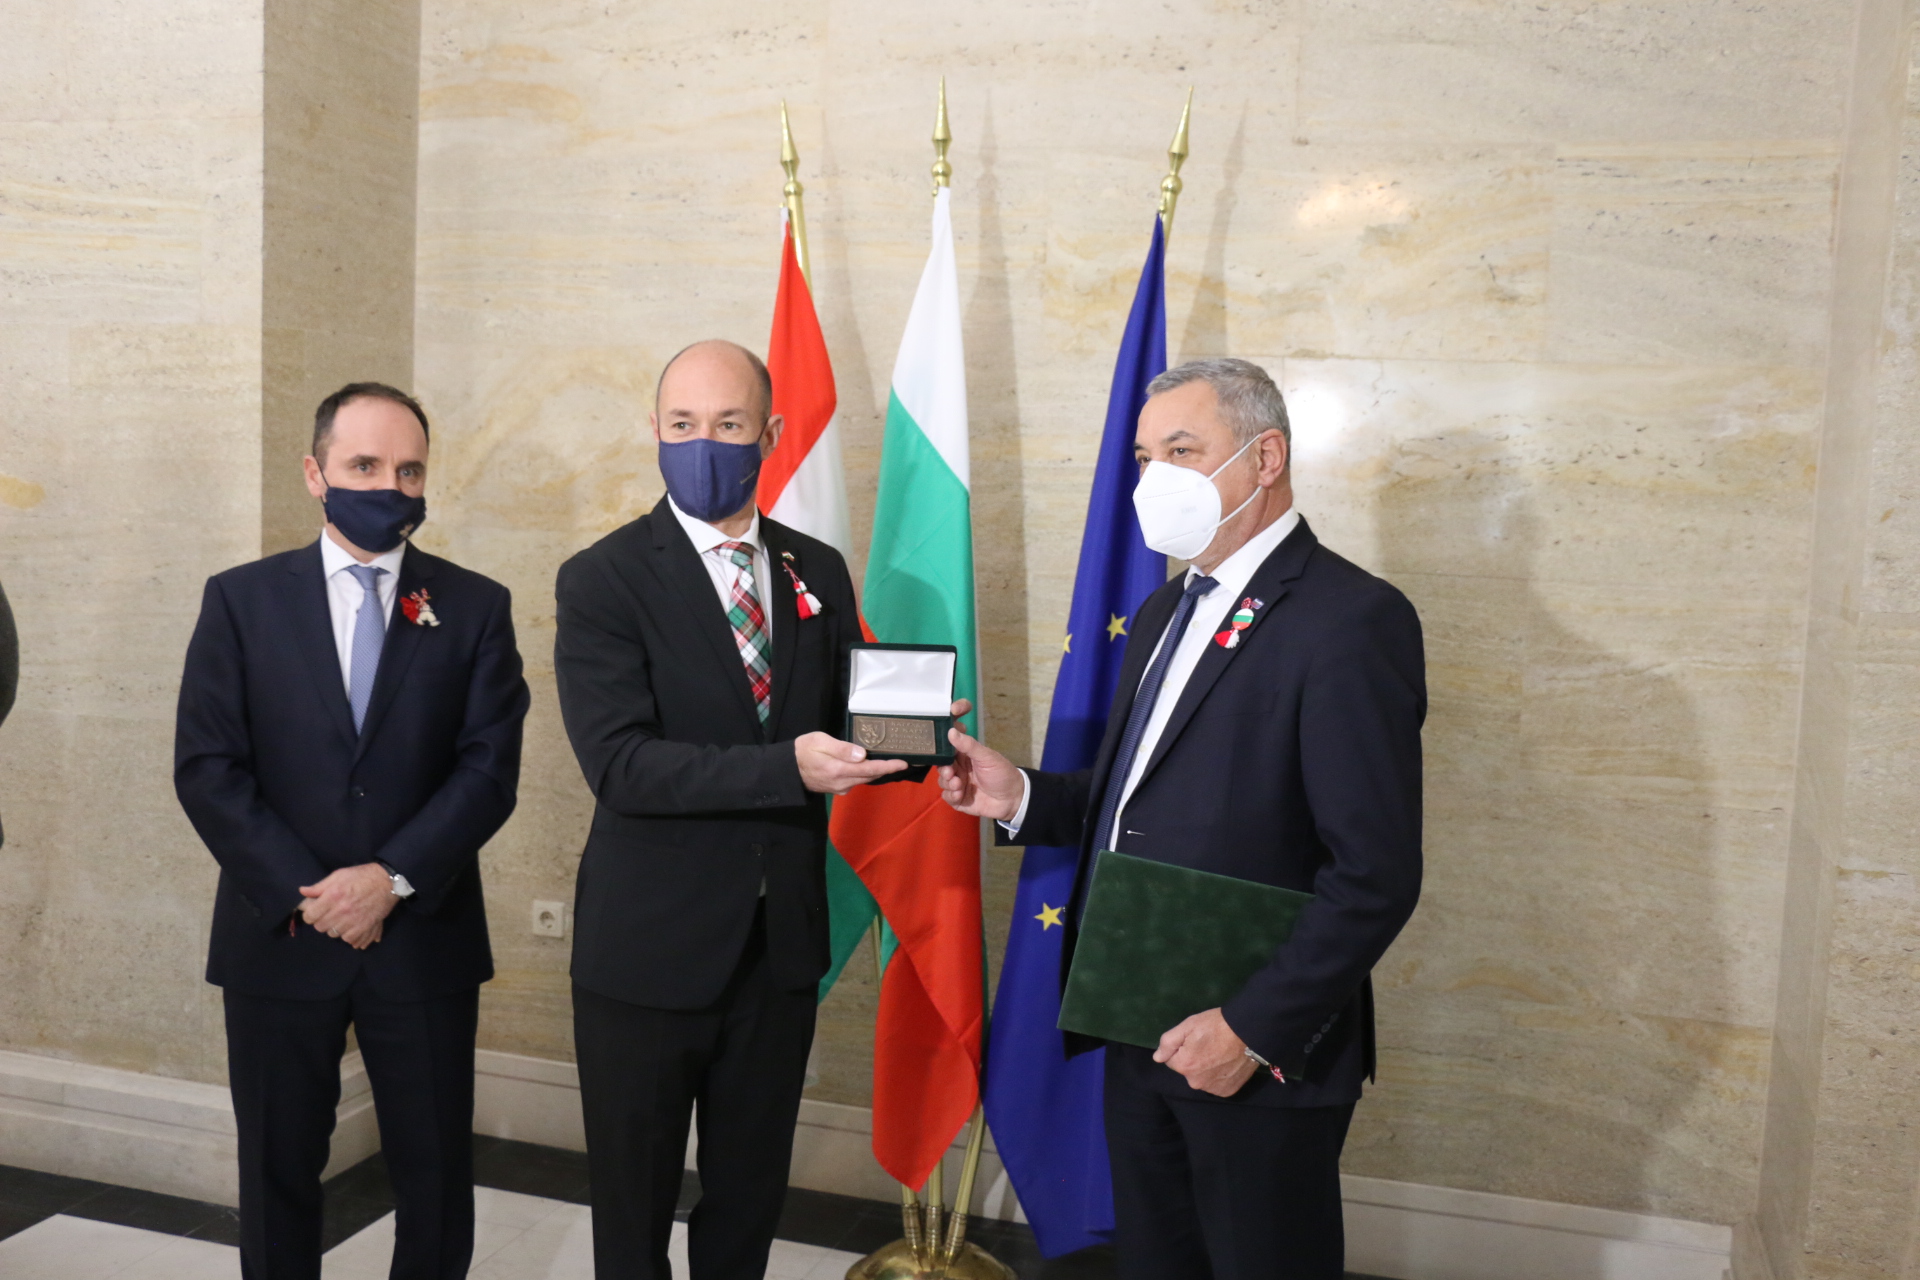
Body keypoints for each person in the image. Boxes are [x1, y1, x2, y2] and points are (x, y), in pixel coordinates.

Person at [939, 358, 1425, 1279]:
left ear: (1265, 458)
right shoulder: (1166, 607)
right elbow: (1143, 801)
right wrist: (1022, 796)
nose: (1152, 477)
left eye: (1182, 450)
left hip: (1255, 1052)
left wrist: (1250, 1028)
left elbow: (1374, 874)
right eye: (1143, 456)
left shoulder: (1351, 618)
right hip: (1138, 1022)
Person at [553, 340, 908, 1280]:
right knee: (633, 1211)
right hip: (647, 953)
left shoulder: (815, 567)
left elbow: (842, 717)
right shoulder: (602, 578)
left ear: (770, 434)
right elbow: (623, 766)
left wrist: (916, 740)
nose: (702, 443)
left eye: (727, 424)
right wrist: (786, 768)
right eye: (682, 424)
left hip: (778, 950)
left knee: (749, 1202)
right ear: (654, 431)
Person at [174, 383, 529, 1280]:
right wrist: (315, 894)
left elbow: (488, 772)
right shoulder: (240, 601)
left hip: (423, 936)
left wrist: (389, 879)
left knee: (435, 1178)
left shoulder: (475, 606)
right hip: (280, 935)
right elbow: (208, 768)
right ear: (315, 473)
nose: (389, 487)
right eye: (364, 466)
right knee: (277, 1173)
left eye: (408, 470)